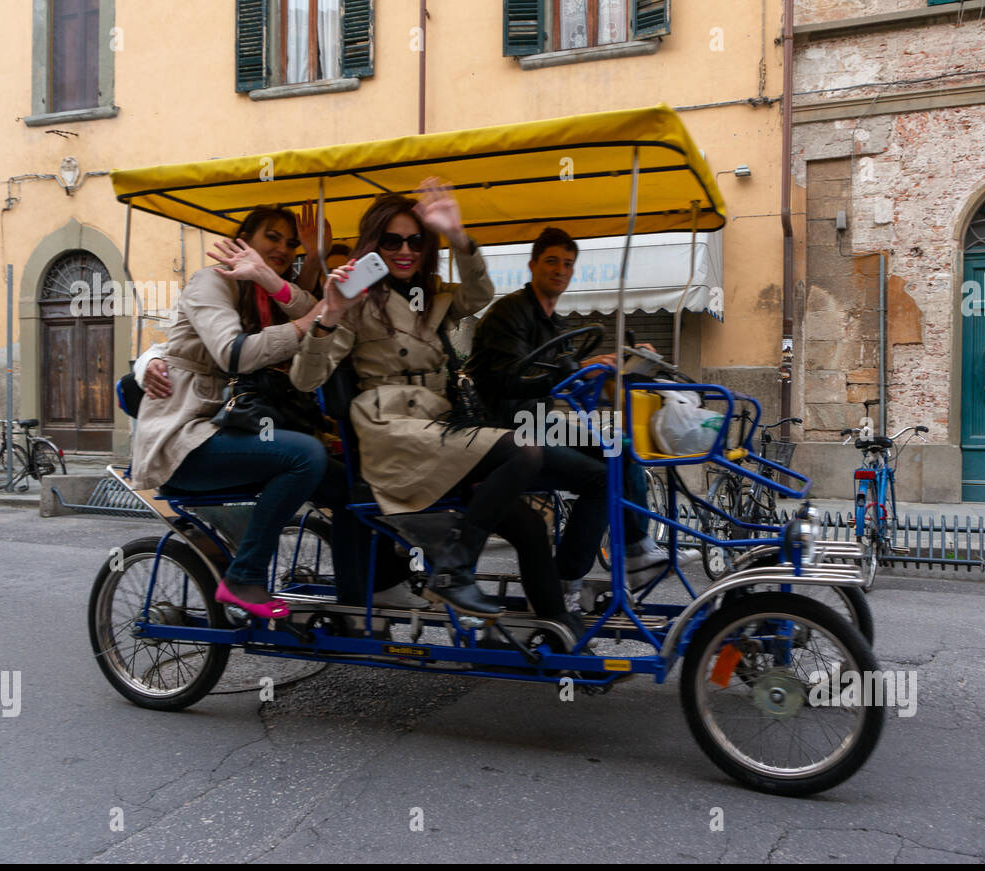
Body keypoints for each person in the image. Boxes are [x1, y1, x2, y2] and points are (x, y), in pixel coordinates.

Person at [290, 179, 576, 635]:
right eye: (392, 241)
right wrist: (331, 313)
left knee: (528, 526)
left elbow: (480, 294)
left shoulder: (435, 295)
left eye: (415, 240)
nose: (405, 250)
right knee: (524, 450)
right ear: (373, 246)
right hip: (391, 433)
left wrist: (459, 236)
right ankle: (454, 571)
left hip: (440, 425)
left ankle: (560, 634)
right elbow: (306, 379)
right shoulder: (355, 299)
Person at [130, 227, 420, 610]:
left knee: (351, 486)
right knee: (305, 455)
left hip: (236, 430)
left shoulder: (263, 292)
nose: (283, 248)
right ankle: (244, 577)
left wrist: (310, 269)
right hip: (186, 438)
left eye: (290, 244)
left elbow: (322, 317)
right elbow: (234, 354)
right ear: (243, 240)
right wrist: (147, 362)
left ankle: (359, 597)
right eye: (272, 238)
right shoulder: (211, 282)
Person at [466, 227, 697, 608]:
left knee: (619, 448)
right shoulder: (509, 313)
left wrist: (625, 368)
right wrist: (577, 368)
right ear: (533, 265)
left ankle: (637, 548)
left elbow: (569, 384)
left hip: (538, 422)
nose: (560, 270)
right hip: (504, 429)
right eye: (552, 261)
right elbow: (510, 379)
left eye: (568, 264)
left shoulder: (556, 324)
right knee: (600, 479)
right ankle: (565, 578)